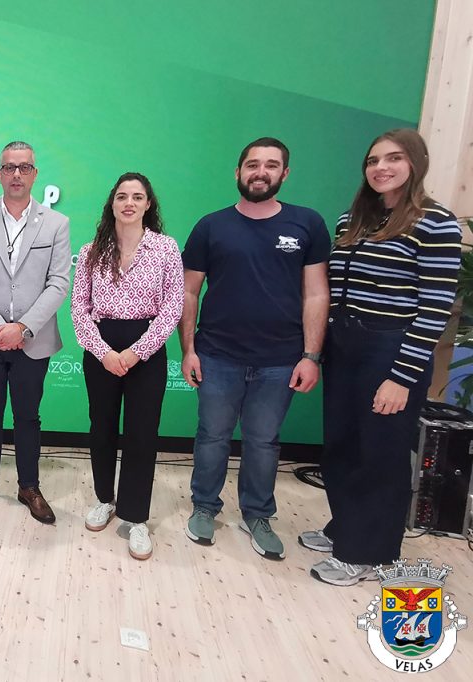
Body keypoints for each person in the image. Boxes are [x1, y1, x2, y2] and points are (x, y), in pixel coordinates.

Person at [304, 129, 462, 586]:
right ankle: (346, 527)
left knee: (380, 453)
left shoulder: (436, 223)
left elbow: (435, 310)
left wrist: (402, 377)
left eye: (393, 158)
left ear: (415, 163)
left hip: (390, 349)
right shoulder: (351, 221)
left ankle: (368, 553)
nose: (381, 168)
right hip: (344, 345)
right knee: (341, 445)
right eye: (373, 160)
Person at [179, 137, 330, 559]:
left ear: (285, 173)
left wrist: (311, 356)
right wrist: (189, 350)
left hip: (281, 360)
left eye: (271, 165)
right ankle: (204, 506)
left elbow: (317, 294)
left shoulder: (307, 224)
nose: (260, 172)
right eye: (252, 164)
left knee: (264, 442)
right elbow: (188, 292)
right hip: (217, 355)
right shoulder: (211, 226)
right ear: (238, 172)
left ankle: (258, 514)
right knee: (212, 436)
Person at [0, 141, 71, 524]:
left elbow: (58, 283)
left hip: (33, 341)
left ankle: (29, 487)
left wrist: (22, 328)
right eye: (9, 167)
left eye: (24, 167)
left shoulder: (56, 223)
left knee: (28, 416)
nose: (17, 174)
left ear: (35, 173)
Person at [71, 173, 183, 559]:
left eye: (137, 197)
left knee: (142, 434)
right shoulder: (91, 251)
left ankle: (135, 517)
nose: (129, 203)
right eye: (122, 196)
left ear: (148, 204)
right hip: (101, 347)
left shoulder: (165, 248)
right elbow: (79, 308)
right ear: (112, 204)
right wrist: (103, 352)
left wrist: (137, 352)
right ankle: (105, 498)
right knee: (101, 428)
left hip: (146, 349)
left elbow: (172, 308)